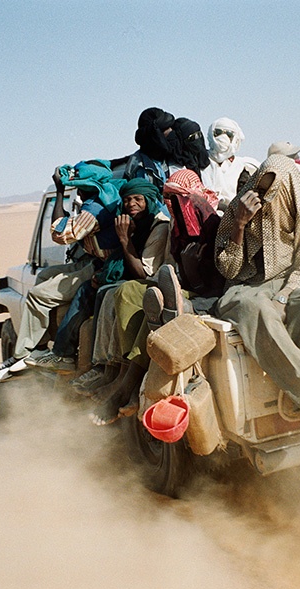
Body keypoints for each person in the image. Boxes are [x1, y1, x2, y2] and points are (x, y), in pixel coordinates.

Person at [214, 154, 300, 440]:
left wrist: (286, 294)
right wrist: (240, 225)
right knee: (256, 308)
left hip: (286, 284)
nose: (267, 193)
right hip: (244, 289)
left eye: (274, 185)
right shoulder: (237, 210)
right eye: (262, 184)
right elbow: (227, 267)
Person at [89, 169, 222, 426]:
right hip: (179, 282)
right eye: (169, 198)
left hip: (205, 293)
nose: (174, 205)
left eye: (179, 198)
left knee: (159, 301)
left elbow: (213, 283)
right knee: (127, 291)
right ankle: (124, 372)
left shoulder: (211, 223)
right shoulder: (176, 225)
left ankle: (129, 385)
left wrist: (191, 270)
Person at [0, 160, 121, 382]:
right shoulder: (106, 198)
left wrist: (59, 193)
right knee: (43, 275)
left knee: (38, 295)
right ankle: (41, 345)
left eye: (79, 186)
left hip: (104, 267)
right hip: (96, 261)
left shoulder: (96, 207)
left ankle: (26, 354)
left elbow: (60, 235)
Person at [37, 179, 170, 379]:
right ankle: (64, 354)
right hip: (132, 274)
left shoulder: (157, 226)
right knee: (87, 289)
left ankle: (102, 365)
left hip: (149, 282)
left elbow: (144, 273)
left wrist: (124, 239)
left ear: (149, 200)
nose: (131, 204)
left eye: (137, 199)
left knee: (103, 293)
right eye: (127, 200)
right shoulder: (130, 221)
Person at [200, 117, 259, 210]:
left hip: (234, 217)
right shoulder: (200, 160)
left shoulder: (243, 166)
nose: (223, 137)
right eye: (218, 133)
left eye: (228, 134)